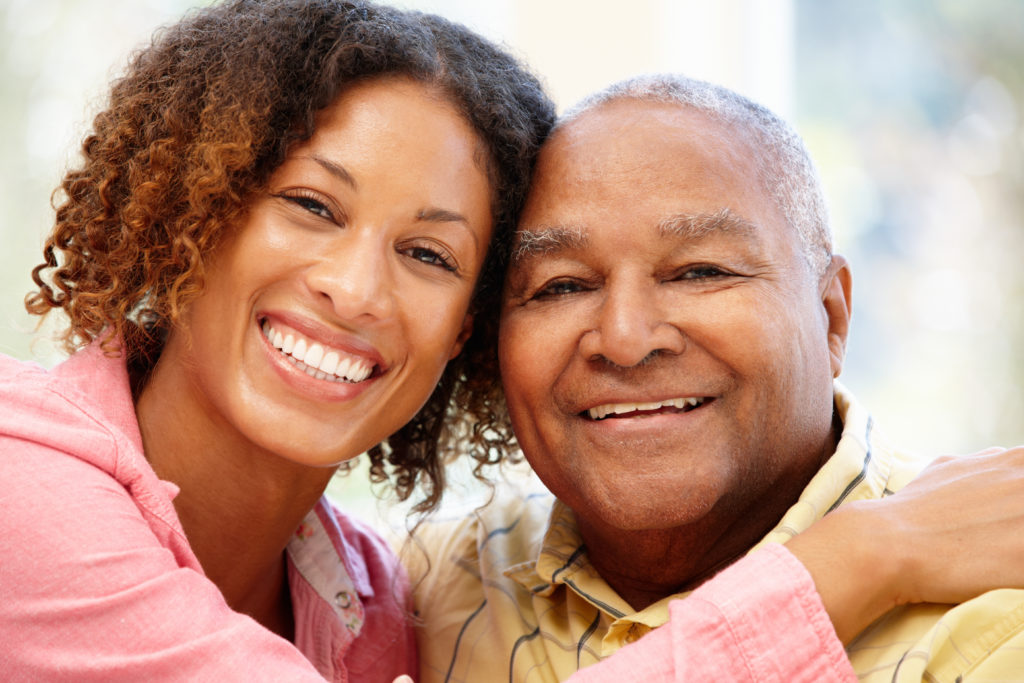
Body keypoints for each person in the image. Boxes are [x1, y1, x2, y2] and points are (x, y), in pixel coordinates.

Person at [0, 1, 554, 680]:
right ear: (195, 213)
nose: (356, 291)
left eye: (429, 254)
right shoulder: (18, 481)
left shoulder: (377, 607)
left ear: (465, 330)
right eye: (313, 206)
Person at [409, 73, 1024, 682]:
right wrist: (861, 556)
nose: (624, 340)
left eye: (700, 272)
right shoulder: (424, 592)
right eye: (561, 286)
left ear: (831, 316)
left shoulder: (996, 623)